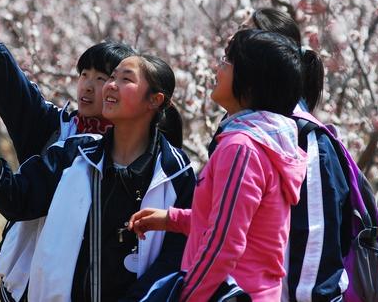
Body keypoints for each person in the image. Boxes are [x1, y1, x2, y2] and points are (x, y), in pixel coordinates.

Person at [0, 4, 137, 300]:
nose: (88, 86)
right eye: (84, 74)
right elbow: (17, 95)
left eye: (101, 78)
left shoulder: (135, 148)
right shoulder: (57, 128)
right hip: (31, 278)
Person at [0, 54, 195, 302]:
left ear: (155, 100)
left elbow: (177, 254)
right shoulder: (76, 154)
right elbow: (22, 199)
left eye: (125, 79)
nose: (111, 85)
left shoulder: (175, 172)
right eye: (112, 77)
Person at [130, 29, 307, 301]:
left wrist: (186, 296)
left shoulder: (241, 148)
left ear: (249, 82)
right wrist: (171, 219)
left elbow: (223, 243)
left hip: (227, 293)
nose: (218, 67)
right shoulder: (270, 141)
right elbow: (239, 224)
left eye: (227, 61)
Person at [222, 8, 351, 302]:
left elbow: (314, 239)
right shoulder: (239, 127)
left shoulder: (305, 136)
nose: (231, 41)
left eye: (245, 33)